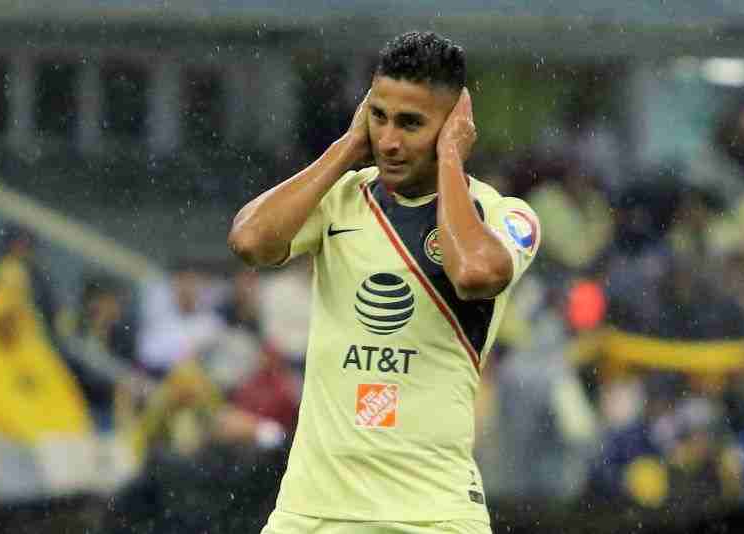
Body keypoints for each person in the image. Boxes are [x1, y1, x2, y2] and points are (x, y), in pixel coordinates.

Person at [229, 31, 540, 534]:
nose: (390, 141)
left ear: (452, 128)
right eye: (380, 117)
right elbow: (250, 241)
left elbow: (475, 273)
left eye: (411, 124)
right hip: (313, 508)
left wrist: (450, 163)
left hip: (434, 514)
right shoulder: (339, 198)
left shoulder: (504, 215)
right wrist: (349, 144)